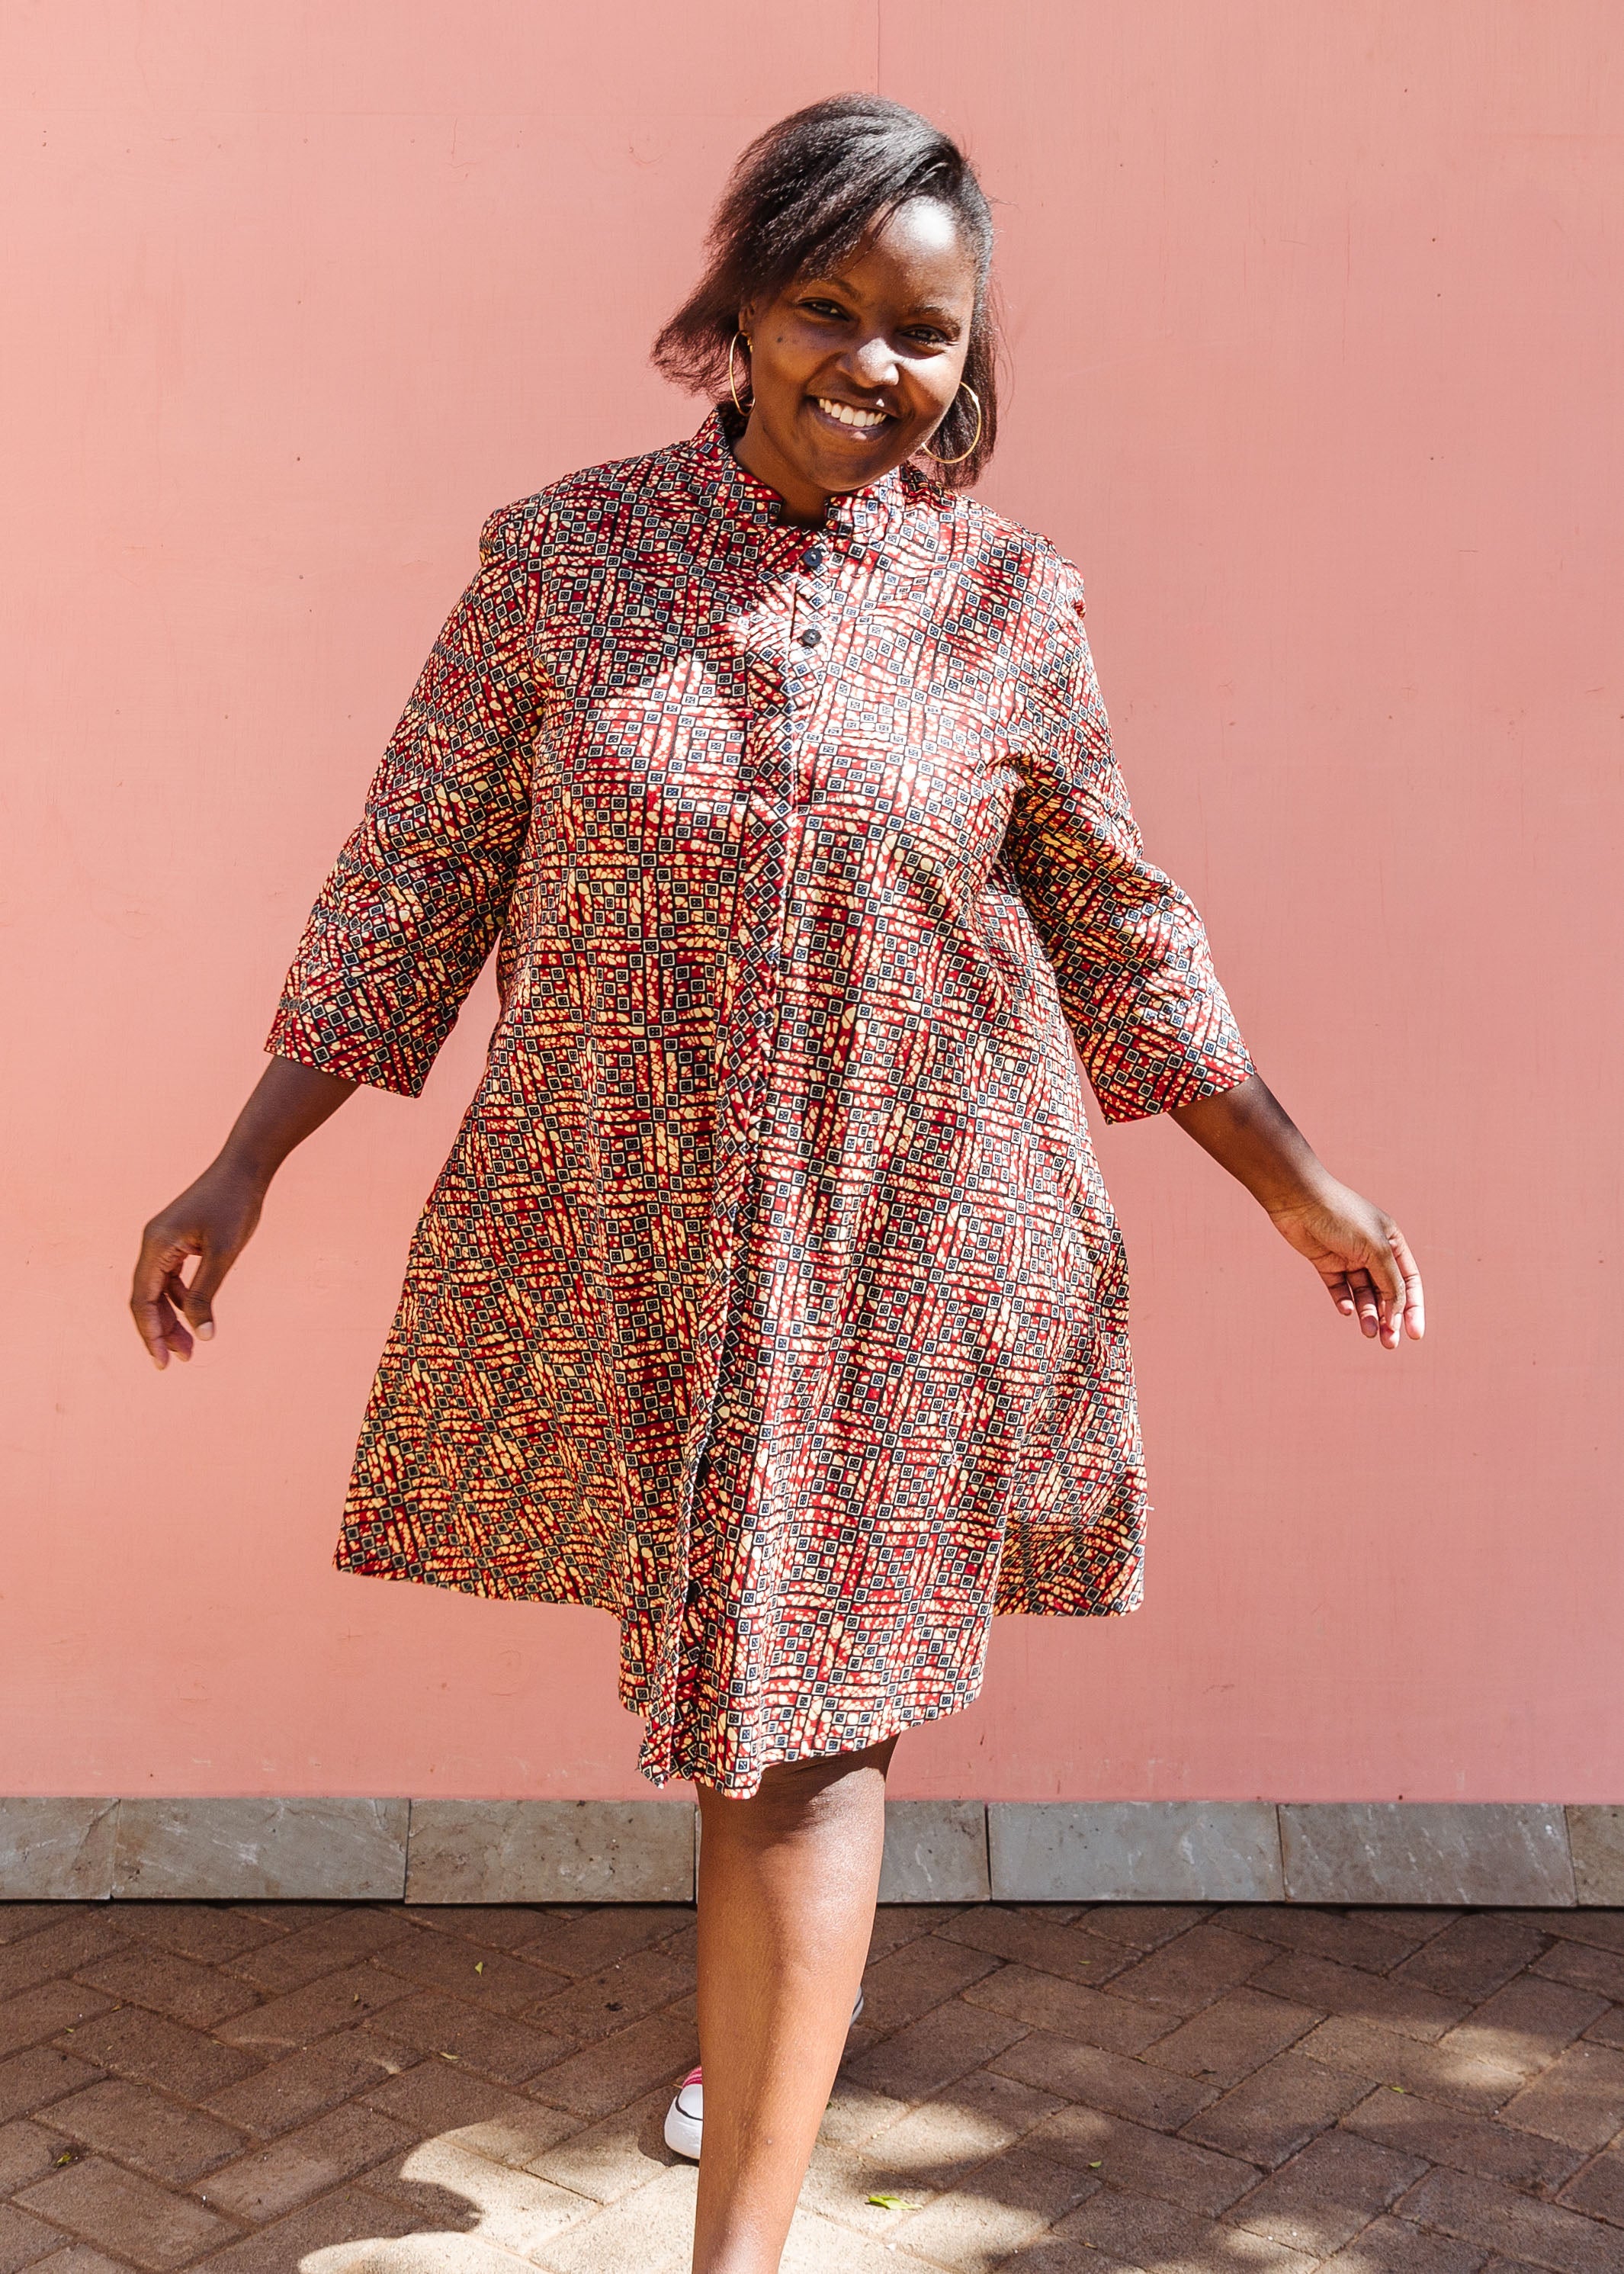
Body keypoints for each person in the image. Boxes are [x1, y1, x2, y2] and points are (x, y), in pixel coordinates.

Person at [131, 94, 1423, 2274]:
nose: (869, 364)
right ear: (731, 311)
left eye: (921, 330)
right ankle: (755, 2049)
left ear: (968, 357)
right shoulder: (559, 564)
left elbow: (1118, 927)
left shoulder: (1010, 604)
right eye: (823, 306)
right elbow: (413, 880)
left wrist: (1296, 1187)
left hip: (916, 1244)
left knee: (803, 1740)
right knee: (740, 1710)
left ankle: (738, 2246)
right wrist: (244, 1161)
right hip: (635, 1223)